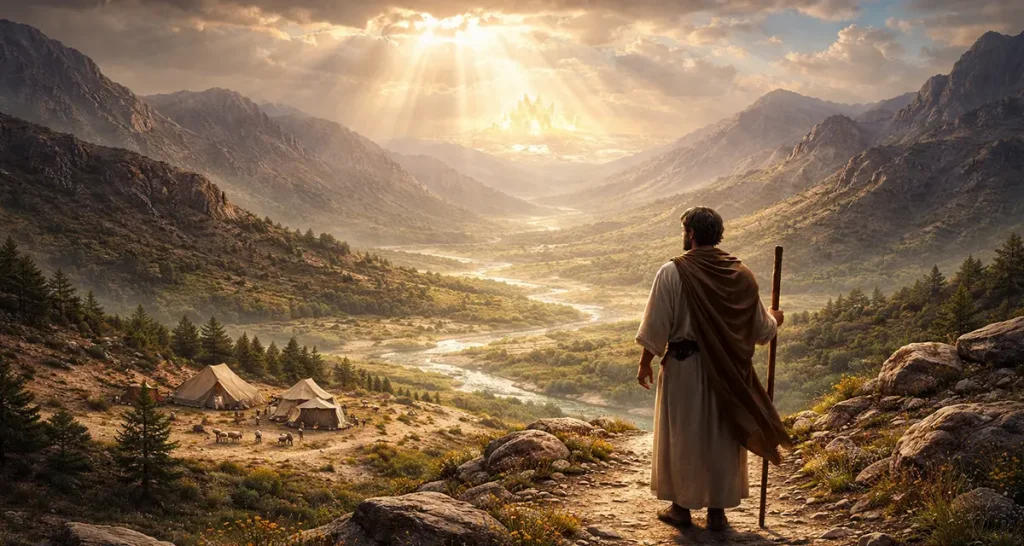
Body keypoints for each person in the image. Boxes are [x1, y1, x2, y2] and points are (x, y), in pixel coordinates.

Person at [635, 206, 791, 532]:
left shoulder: (672, 272)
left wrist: (646, 363)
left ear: (690, 233)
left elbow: (656, 326)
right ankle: (718, 512)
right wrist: (775, 317)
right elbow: (762, 331)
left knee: (685, 437)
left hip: (684, 369)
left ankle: (681, 509)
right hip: (730, 374)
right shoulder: (741, 275)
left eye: (685, 231)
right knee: (723, 437)